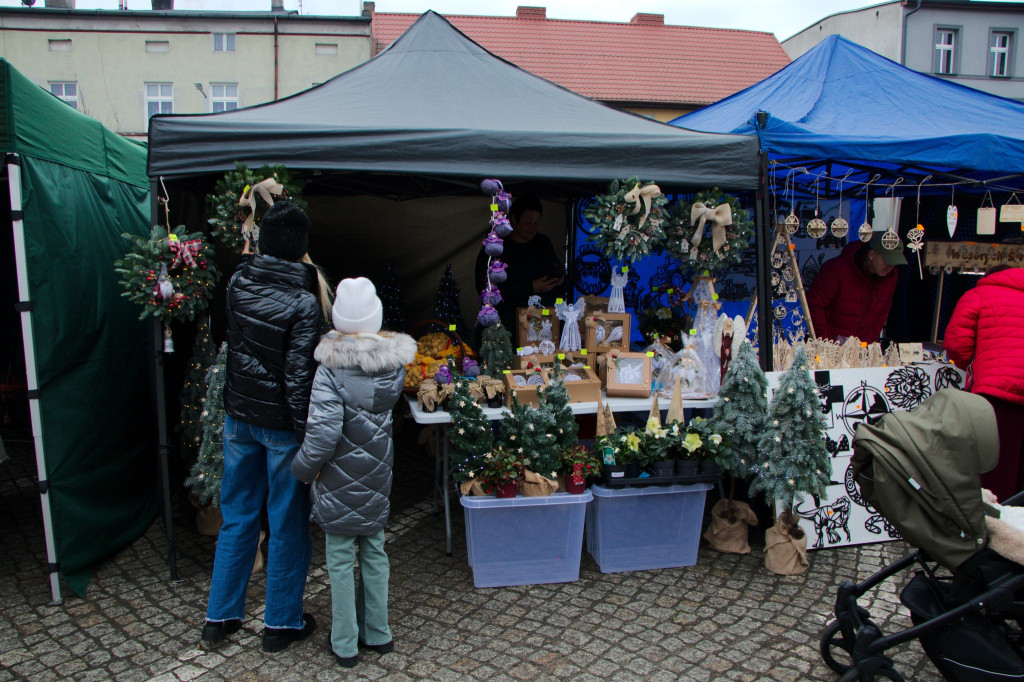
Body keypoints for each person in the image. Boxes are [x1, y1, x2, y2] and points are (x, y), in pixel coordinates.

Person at [200, 201, 323, 652]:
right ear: (300, 250)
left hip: (238, 418)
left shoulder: (236, 282)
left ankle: (220, 617)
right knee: (287, 522)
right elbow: (297, 381)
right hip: (279, 426)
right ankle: (281, 624)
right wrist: (308, 439)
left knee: (238, 517)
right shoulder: (304, 303)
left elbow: (224, 342)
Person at [291, 278, 416, 668]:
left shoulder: (331, 368)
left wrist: (302, 469)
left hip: (338, 478)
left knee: (342, 558)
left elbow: (324, 433)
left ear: (339, 319)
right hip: (377, 475)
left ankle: (345, 643)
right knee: (375, 551)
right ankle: (378, 633)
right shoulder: (391, 368)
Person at [943, 264, 1024, 501]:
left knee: (994, 466)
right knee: (1019, 469)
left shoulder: (978, 295)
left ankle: (991, 527)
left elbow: (957, 344)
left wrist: (973, 366)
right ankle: (1016, 529)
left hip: (994, 392)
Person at [474, 196, 564, 334]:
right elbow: (485, 288)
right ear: (514, 219)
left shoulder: (543, 243)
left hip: (539, 323)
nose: (533, 228)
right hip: (506, 325)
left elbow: (556, 272)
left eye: (537, 222)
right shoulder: (496, 247)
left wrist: (559, 279)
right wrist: (530, 287)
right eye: (528, 222)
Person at [806, 233, 907, 344]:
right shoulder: (836, 269)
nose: (890, 266)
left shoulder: (891, 276)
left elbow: (883, 311)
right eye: (887, 260)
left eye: (894, 262)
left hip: (862, 349)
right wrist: (826, 341)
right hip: (830, 346)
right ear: (872, 255)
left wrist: (870, 340)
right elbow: (814, 306)